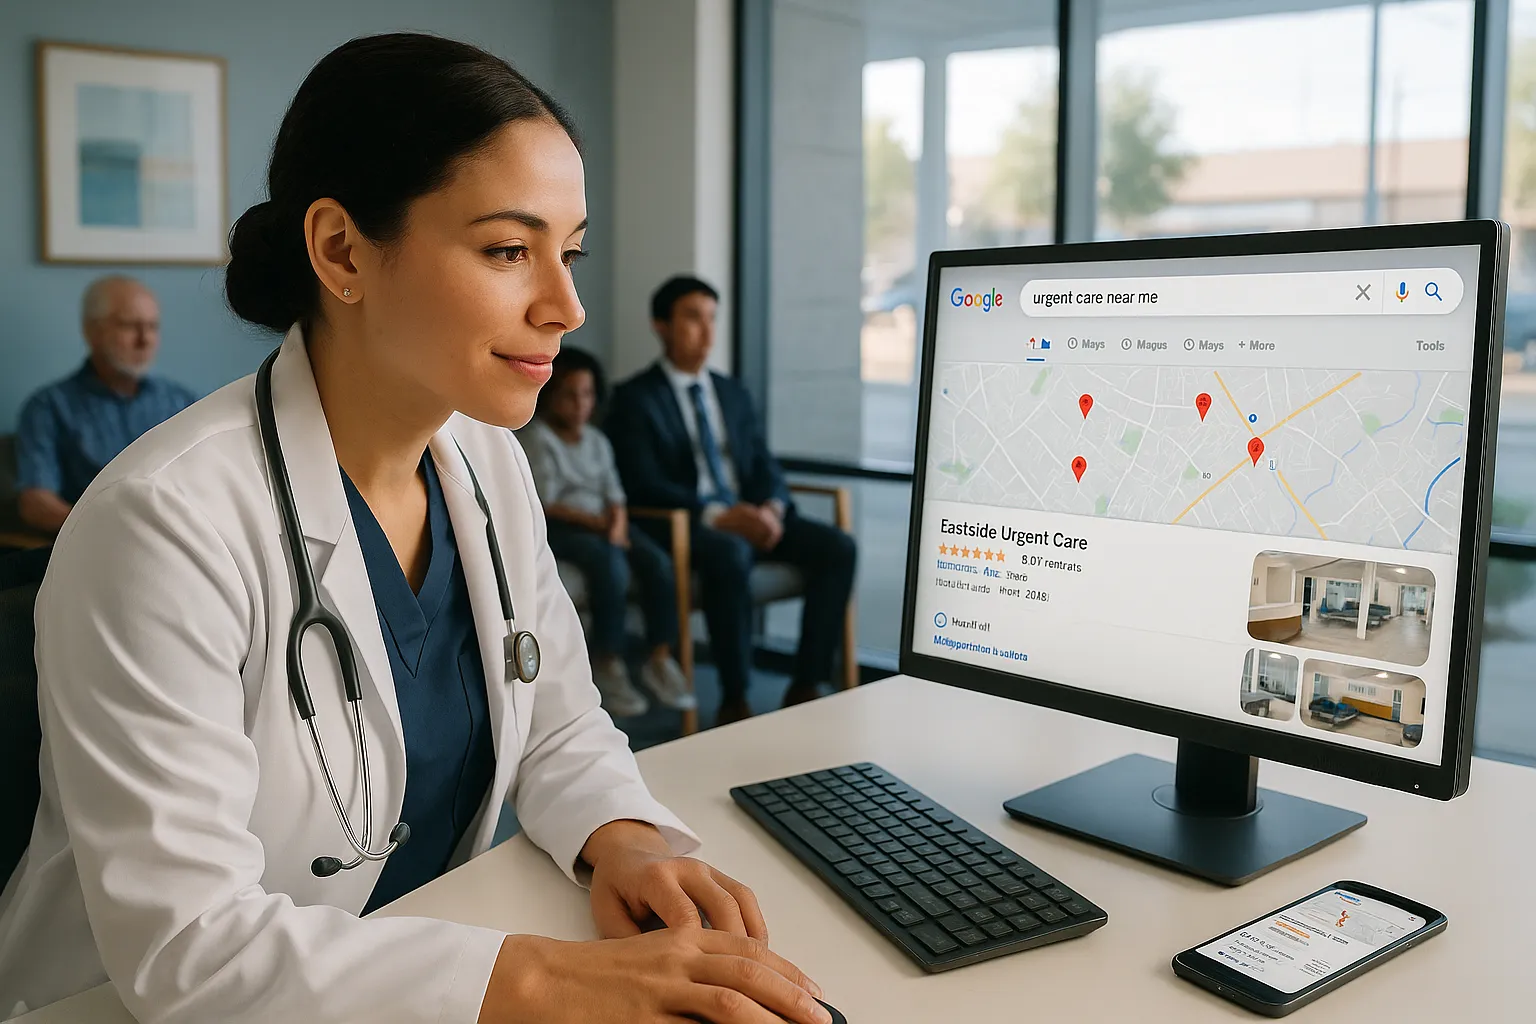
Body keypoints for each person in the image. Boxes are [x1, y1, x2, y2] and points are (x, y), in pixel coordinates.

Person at [0, 36, 830, 1024]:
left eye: (570, 252)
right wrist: (538, 982)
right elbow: (192, 949)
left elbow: (559, 718)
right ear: (342, 251)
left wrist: (622, 830)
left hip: (409, 960)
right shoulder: (164, 525)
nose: (565, 306)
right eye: (509, 250)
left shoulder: (486, 461)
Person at [606, 277, 857, 727]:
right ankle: (735, 695)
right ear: (661, 326)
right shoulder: (634, 398)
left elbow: (763, 465)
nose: (706, 331)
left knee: (838, 548)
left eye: (711, 319)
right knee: (730, 552)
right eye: (692, 318)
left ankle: (807, 682)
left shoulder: (731, 392)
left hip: (751, 514)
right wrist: (721, 516)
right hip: (693, 523)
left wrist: (773, 509)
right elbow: (642, 484)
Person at [520, 347, 694, 717]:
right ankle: (608, 660)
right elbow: (545, 501)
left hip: (604, 525)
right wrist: (604, 527)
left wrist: (616, 523)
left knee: (657, 562)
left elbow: (615, 493)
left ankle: (659, 657)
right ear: (551, 394)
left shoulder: (597, 441)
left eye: (587, 394)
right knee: (609, 564)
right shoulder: (538, 438)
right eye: (569, 394)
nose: (579, 403)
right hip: (564, 527)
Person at [14, 276, 197, 534]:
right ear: (93, 332)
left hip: (180, 542)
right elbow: (36, 503)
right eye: (130, 326)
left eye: (153, 327)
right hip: (90, 546)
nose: (144, 340)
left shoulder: (181, 402)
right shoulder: (48, 407)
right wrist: (111, 531)